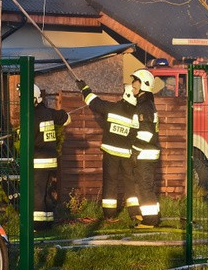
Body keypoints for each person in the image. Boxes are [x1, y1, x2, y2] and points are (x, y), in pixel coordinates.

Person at [77, 80, 140, 223]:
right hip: (127, 154)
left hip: (110, 154)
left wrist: (85, 88)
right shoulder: (136, 115)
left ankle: (109, 215)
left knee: (110, 182)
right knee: (130, 183)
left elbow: (94, 103)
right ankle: (134, 213)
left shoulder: (111, 108)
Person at [30, 84, 71, 231]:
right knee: (46, 191)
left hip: (38, 160)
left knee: (37, 192)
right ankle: (48, 222)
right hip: (50, 161)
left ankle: (38, 224)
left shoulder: (31, 116)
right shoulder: (48, 113)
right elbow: (66, 118)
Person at [131, 68, 162, 228]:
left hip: (145, 152)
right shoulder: (144, 103)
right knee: (144, 185)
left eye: (135, 81)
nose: (132, 85)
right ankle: (150, 215)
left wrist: (135, 149)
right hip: (145, 152)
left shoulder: (145, 106)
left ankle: (150, 220)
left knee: (145, 186)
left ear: (143, 84)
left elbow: (146, 133)